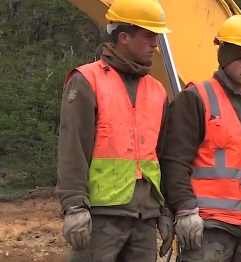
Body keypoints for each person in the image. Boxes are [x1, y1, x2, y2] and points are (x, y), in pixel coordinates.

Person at [56, 0, 174, 261]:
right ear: (124, 37)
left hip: (145, 218)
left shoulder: (157, 90)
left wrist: (166, 211)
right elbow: (73, 146)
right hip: (101, 216)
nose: (155, 44)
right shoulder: (87, 80)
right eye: (149, 35)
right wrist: (74, 205)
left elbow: (163, 155)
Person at [160, 14, 241, 262]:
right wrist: (185, 209)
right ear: (224, 56)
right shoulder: (195, 98)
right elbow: (174, 161)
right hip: (209, 227)